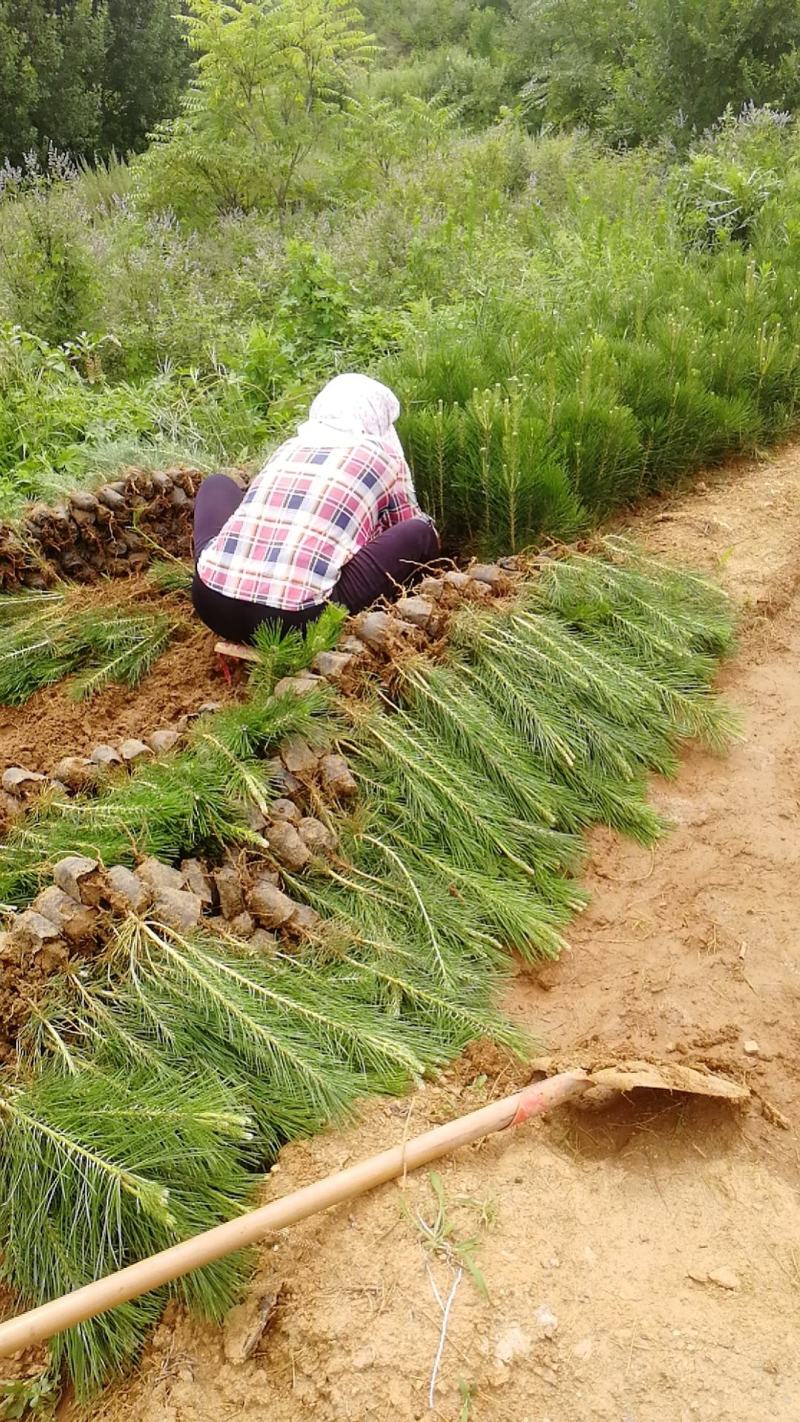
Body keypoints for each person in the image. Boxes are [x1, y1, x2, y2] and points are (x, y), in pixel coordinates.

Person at [191, 373, 440, 643]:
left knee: (217, 484)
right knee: (421, 531)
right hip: (299, 621)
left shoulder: (291, 446)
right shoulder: (385, 457)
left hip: (211, 602)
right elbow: (405, 524)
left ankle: (221, 566)